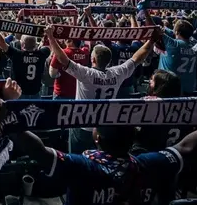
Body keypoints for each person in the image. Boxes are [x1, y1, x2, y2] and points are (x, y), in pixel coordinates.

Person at [0, 102, 197, 205]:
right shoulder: (150, 164)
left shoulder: (82, 167)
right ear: (133, 138)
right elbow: (188, 148)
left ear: (97, 138)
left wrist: (8, 122)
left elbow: (38, 151)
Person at [47, 25, 156, 153]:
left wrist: (50, 37)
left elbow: (62, 59)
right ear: (109, 62)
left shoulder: (86, 73)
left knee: (78, 160)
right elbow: (138, 57)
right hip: (104, 125)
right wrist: (152, 40)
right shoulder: (117, 73)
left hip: (82, 125)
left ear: (92, 59)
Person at [0, 33, 49, 99]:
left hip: (18, 94)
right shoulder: (42, 53)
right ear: (35, 44)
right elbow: (48, 47)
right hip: (35, 94)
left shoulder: (17, 55)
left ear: (23, 44)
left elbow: (2, 43)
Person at [158, 19, 197, 95]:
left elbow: (156, 30)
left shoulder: (173, 44)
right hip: (189, 89)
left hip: (169, 89)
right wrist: (166, 28)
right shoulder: (196, 45)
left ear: (177, 32)